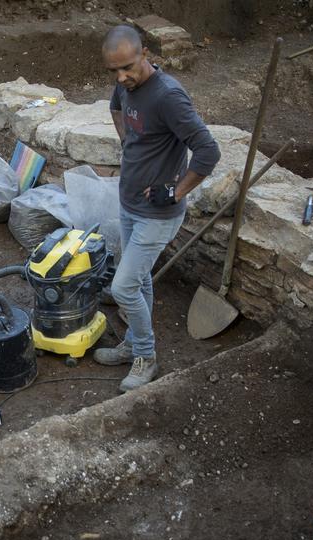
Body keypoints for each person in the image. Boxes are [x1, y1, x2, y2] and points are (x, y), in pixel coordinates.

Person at [94, 25, 221, 391]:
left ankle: (146, 357)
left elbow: (208, 151)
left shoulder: (169, 97)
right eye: (113, 71)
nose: (121, 77)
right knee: (140, 281)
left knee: (123, 287)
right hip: (130, 202)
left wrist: (177, 192)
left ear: (145, 53)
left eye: (129, 67)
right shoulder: (124, 84)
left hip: (158, 213)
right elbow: (116, 107)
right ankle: (133, 343)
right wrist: (128, 142)